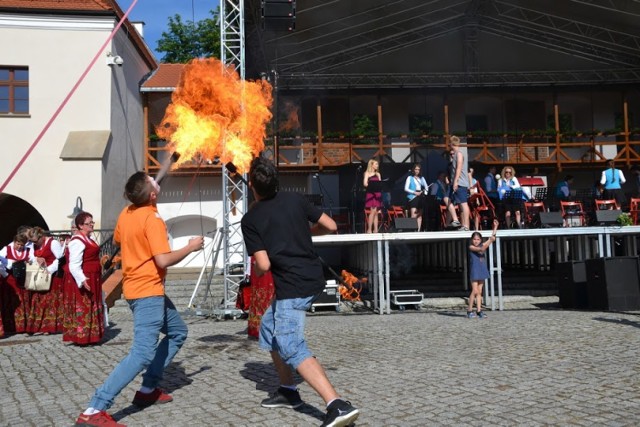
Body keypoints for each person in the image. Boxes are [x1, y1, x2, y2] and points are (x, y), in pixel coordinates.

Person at [75, 172, 204, 427]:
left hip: (139, 287)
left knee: (178, 331)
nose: (154, 178)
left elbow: (120, 239)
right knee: (142, 353)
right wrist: (191, 246)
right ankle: (95, 408)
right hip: (147, 292)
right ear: (153, 195)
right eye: (151, 180)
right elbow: (163, 260)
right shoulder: (152, 219)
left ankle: (147, 390)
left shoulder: (128, 212)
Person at [241, 157, 359, 427]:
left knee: (290, 343)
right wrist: (305, 235)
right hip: (311, 277)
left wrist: (256, 275)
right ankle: (288, 390)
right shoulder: (295, 199)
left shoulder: (251, 219)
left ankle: (336, 404)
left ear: (252, 185)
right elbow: (330, 226)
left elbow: (263, 264)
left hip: (293, 287)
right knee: (270, 330)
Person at [62, 211, 105, 346]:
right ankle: (82, 336)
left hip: (94, 276)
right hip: (86, 276)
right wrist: (82, 279)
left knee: (92, 303)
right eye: (89, 223)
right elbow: (74, 264)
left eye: (92, 222)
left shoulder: (89, 239)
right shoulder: (77, 241)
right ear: (80, 226)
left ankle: (92, 335)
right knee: (84, 304)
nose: (92, 225)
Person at [26, 226, 65, 334]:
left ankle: (48, 327)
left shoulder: (53, 243)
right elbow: (29, 257)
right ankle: (37, 326)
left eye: (36, 241)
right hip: (38, 276)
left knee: (50, 301)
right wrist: (36, 259)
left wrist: (49, 270)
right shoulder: (34, 245)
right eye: (32, 241)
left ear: (42, 237)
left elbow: (60, 259)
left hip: (51, 276)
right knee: (37, 300)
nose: (35, 243)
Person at [0, 232, 35, 335]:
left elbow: (33, 260)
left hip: (24, 280)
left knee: (25, 301)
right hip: (11, 279)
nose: (19, 246)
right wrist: (6, 273)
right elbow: (0, 261)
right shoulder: (6, 249)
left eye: (21, 245)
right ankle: (12, 326)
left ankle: (25, 326)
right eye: (17, 244)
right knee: (12, 302)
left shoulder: (28, 251)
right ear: (14, 242)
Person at [467, 219, 499, 319]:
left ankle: (479, 310)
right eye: (474, 239)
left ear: (480, 240)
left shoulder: (483, 244)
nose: (476, 241)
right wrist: (490, 240)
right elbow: (482, 248)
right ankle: (469, 310)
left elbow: (491, 239)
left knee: (480, 291)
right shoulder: (471, 247)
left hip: (481, 268)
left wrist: (495, 228)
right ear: (472, 240)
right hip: (475, 270)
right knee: (474, 290)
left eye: (478, 239)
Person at [446, 136, 470, 230]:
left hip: (460, 182)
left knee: (463, 203)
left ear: (452, 144)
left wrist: (455, 181)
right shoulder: (456, 154)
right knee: (448, 199)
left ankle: (466, 225)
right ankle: (457, 220)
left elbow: (459, 168)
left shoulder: (459, 154)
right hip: (456, 182)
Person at [404, 163, 429, 231]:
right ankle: (412, 229)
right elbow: (406, 188)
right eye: (416, 169)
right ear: (413, 170)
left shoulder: (422, 178)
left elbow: (426, 187)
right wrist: (414, 192)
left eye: (418, 169)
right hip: (412, 197)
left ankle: (418, 230)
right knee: (413, 214)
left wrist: (425, 193)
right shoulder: (409, 178)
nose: (417, 171)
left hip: (420, 196)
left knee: (420, 214)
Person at [363, 158, 383, 233]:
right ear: (372, 165)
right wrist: (370, 185)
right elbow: (365, 183)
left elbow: (380, 183)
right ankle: (369, 229)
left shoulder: (378, 174)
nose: (377, 165)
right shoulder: (367, 173)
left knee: (376, 212)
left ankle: (376, 230)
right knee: (372, 211)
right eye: (376, 164)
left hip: (377, 194)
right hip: (371, 193)